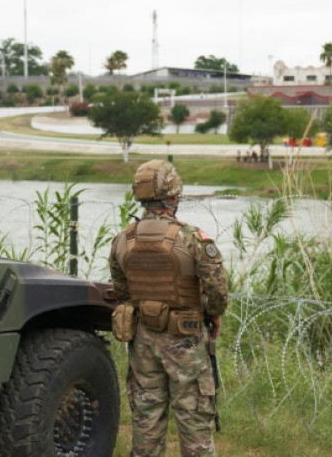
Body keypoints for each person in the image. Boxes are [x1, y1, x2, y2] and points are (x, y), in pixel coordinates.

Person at [110, 159, 229, 457]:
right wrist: (214, 316)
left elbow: (122, 291)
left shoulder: (123, 239)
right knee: (194, 423)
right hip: (185, 340)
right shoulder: (193, 238)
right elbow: (216, 290)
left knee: (146, 422)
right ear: (173, 196)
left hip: (144, 341)